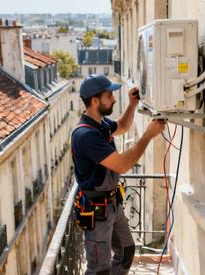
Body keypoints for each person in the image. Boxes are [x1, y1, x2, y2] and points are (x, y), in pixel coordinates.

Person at [71, 74, 165, 275]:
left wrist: (132, 105)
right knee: (99, 269)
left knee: (126, 251)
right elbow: (121, 165)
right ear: (95, 101)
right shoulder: (86, 135)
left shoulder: (101, 124)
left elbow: (122, 126)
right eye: (109, 95)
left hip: (112, 203)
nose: (114, 99)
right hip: (97, 210)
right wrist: (148, 135)